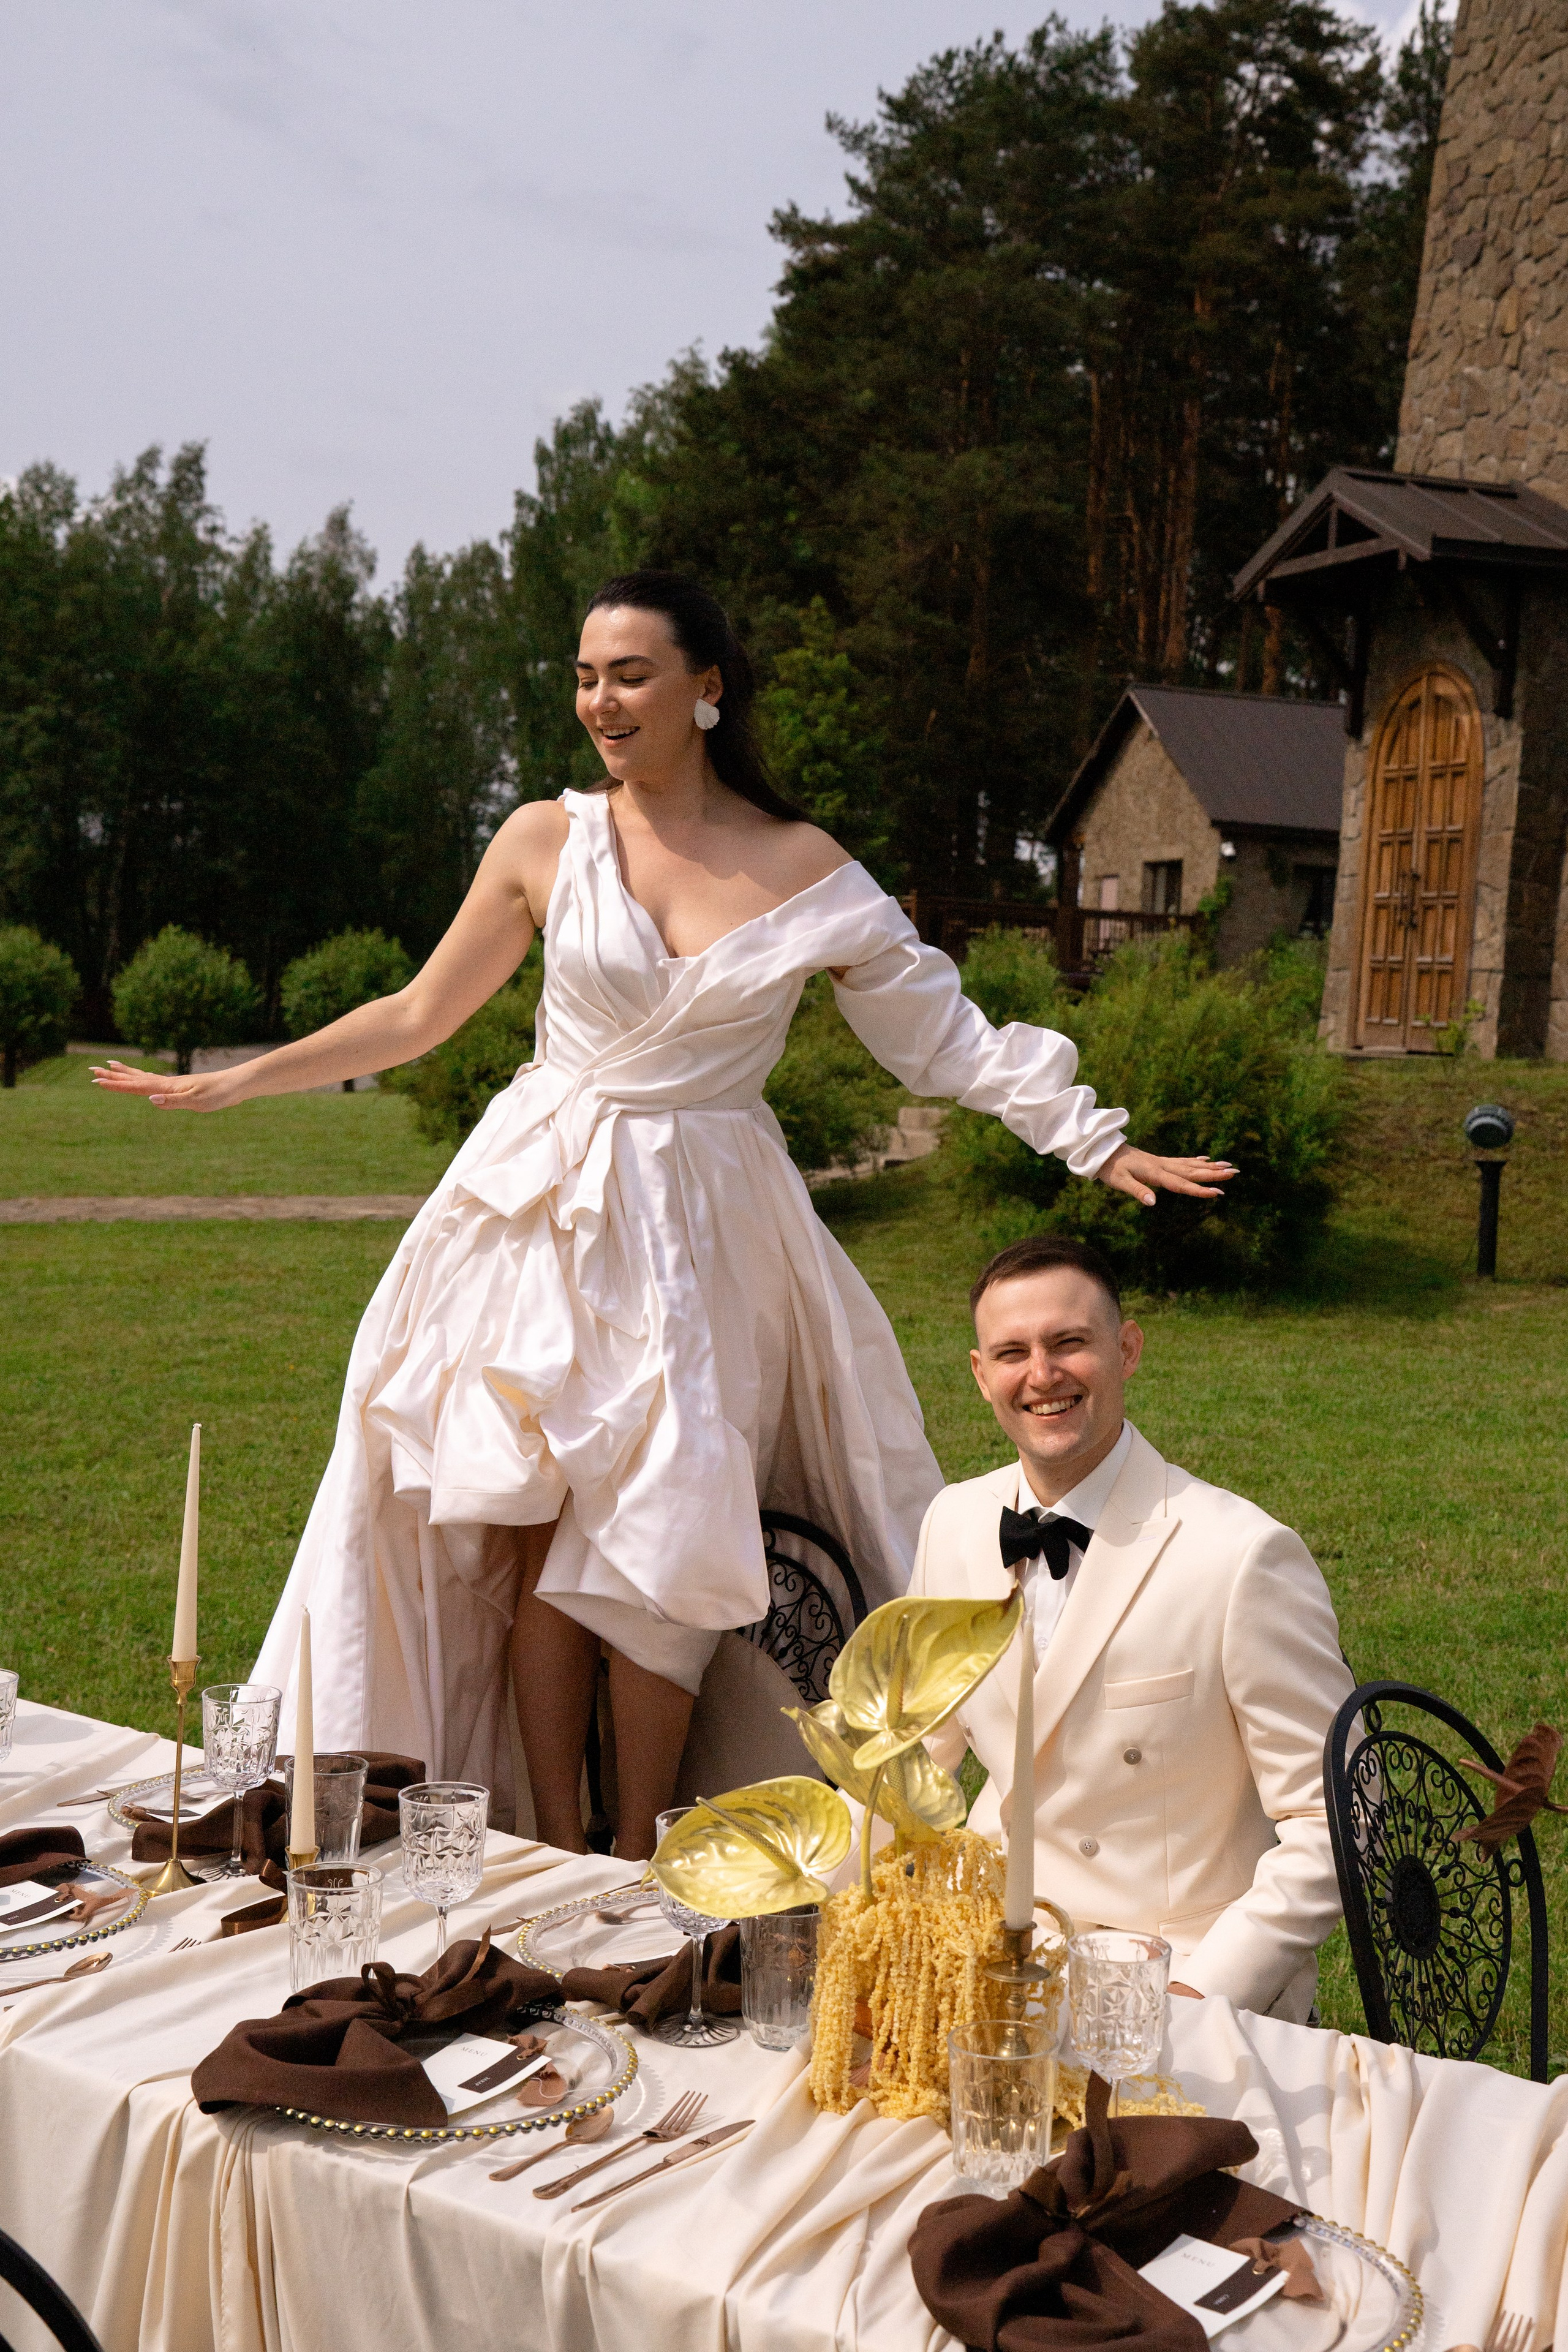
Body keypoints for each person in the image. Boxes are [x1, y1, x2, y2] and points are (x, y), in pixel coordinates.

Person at [92, 573, 1235, 1860]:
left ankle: (645, 1852)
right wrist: (237, 1078)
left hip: (709, 1232)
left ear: (707, 687)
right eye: (584, 676)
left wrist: (1092, 1138)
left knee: (662, 1537)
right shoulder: (544, 839)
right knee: (528, 1537)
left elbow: (940, 1037)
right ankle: (544, 1844)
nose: (599, 702)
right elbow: (418, 1014)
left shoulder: (805, 867)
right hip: (535, 1218)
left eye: (628, 674)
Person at [910, 1232, 1352, 2021]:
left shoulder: (1241, 1556)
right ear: (981, 1377)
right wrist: (795, 1886)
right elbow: (909, 1760)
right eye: (1011, 1352)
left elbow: (1343, 1816)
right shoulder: (953, 1522)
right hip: (994, 1966)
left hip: (1182, 1986)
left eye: (1069, 1343)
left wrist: (1197, 1995)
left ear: (1127, 1350)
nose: (1041, 1375)